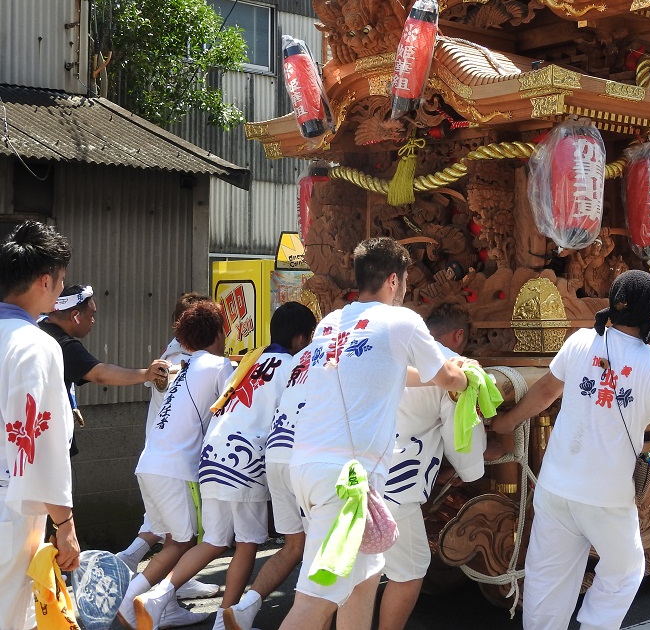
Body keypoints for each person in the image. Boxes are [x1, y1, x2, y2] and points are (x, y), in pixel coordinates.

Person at [278, 237, 470, 630]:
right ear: (394, 280)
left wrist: (437, 378)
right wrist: (470, 378)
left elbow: (392, 372)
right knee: (316, 600)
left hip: (309, 467)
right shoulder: (401, 321)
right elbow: (447, 376)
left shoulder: (331, 323)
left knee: (363, 581)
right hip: (344, 480)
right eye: (405, 281)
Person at [490, 270, 650, 630]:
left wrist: (506, 423)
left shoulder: (580, 342)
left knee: (547, 579)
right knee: (624, 570)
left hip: (555, 486)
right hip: (607, 498)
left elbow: (545, 391)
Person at [130, 302, 319, 630]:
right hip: (244, 459)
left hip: (211, 454)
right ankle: (225, 620)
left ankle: (157, 597)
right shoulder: (293, 366)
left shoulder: (249, 361)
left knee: (213, 540)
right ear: (302, 338)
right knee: (247, 542)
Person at [118, 302, 233, 630]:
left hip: (149, 463)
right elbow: (233, 408)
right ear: (218, 333)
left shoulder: (182, 365)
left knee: (172, 539)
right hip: (175, 468)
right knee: (182, 542)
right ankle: (130, 599)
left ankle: (164, 609)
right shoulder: (219, 365)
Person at [376, 304, 489, 630]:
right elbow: (460, 437)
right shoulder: (450, 368)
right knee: (410, 570)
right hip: (396, 483)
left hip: (346, 474)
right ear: (458, 335)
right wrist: (473, 470)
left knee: (354, 572)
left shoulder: (382, 355)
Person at [0, 221, 79, 630]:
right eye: (61, 281)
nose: (61, 289)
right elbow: (38, 442)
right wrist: (64, 524)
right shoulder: (34, 343)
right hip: (11, 507)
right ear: (45, 281)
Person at [39, 284, 171, 455]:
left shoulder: (35, 325)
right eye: (91, 315)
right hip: (46, 441)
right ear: (75, 316)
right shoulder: (63, 345)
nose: (93, 321)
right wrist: (146, 374)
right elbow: (100, 374)